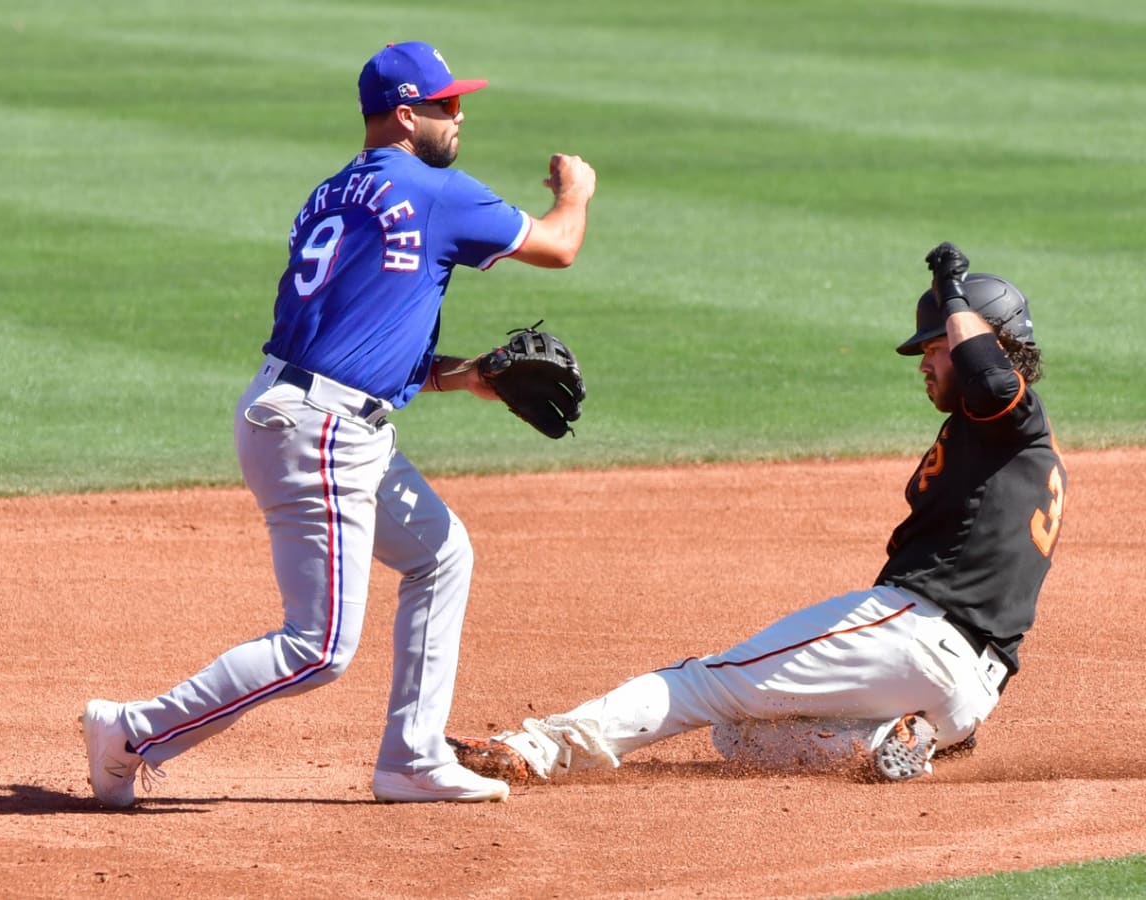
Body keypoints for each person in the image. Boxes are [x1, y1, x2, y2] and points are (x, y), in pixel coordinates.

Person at [82, 40, 597, 807]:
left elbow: (358, 341)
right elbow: (558, 247)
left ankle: (413, 759)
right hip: (321, 430)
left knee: (441, 556)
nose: (460, 116)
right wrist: (576, 191)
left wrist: (470, 378)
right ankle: (130, 733)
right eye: (446, 104)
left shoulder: (330, 196)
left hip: (307, 412)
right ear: (404, 113)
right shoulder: (431, 189)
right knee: (319, 647)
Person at [449, 242, 1066, 785]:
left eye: (936, 347)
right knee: (738, 739)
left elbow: (989, 380)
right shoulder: (1022, 453)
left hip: (916, 636)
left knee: (702, 685)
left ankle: (534, 748)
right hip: (970, 694)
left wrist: (952, 294)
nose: (926, 364)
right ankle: (892, 740)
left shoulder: (1011, 416)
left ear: (989, 341)